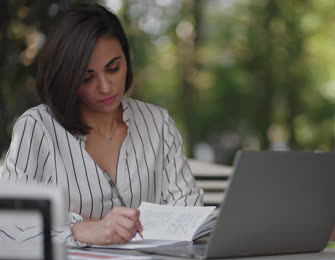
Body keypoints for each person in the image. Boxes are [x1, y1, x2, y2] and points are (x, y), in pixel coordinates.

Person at [0, 4, 203, 246]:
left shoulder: (157, 122)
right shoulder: (38, 127)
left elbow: (188, 205)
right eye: (87, 77)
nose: (106, 86)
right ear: (67, 76)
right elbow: (8, 221)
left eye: (113, 68)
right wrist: (82, 230)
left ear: (126, 60)